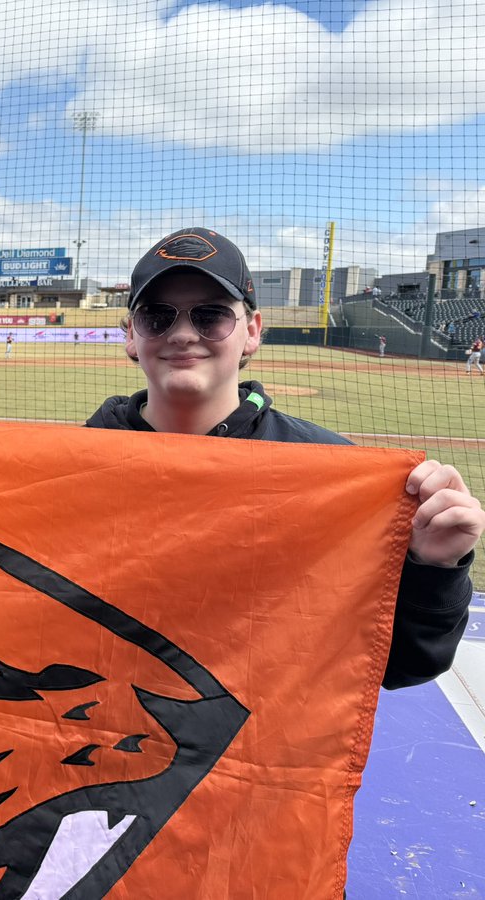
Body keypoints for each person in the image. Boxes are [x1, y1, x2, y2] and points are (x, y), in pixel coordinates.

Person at [86, 227, 482, 690]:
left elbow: (401, 665)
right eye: (157, 316)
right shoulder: (73, 466)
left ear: (252, 332)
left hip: (253, 750)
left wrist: (433, 570)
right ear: (132, 334)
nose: (183, 334)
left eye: (211, 315)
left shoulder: (332, 472)